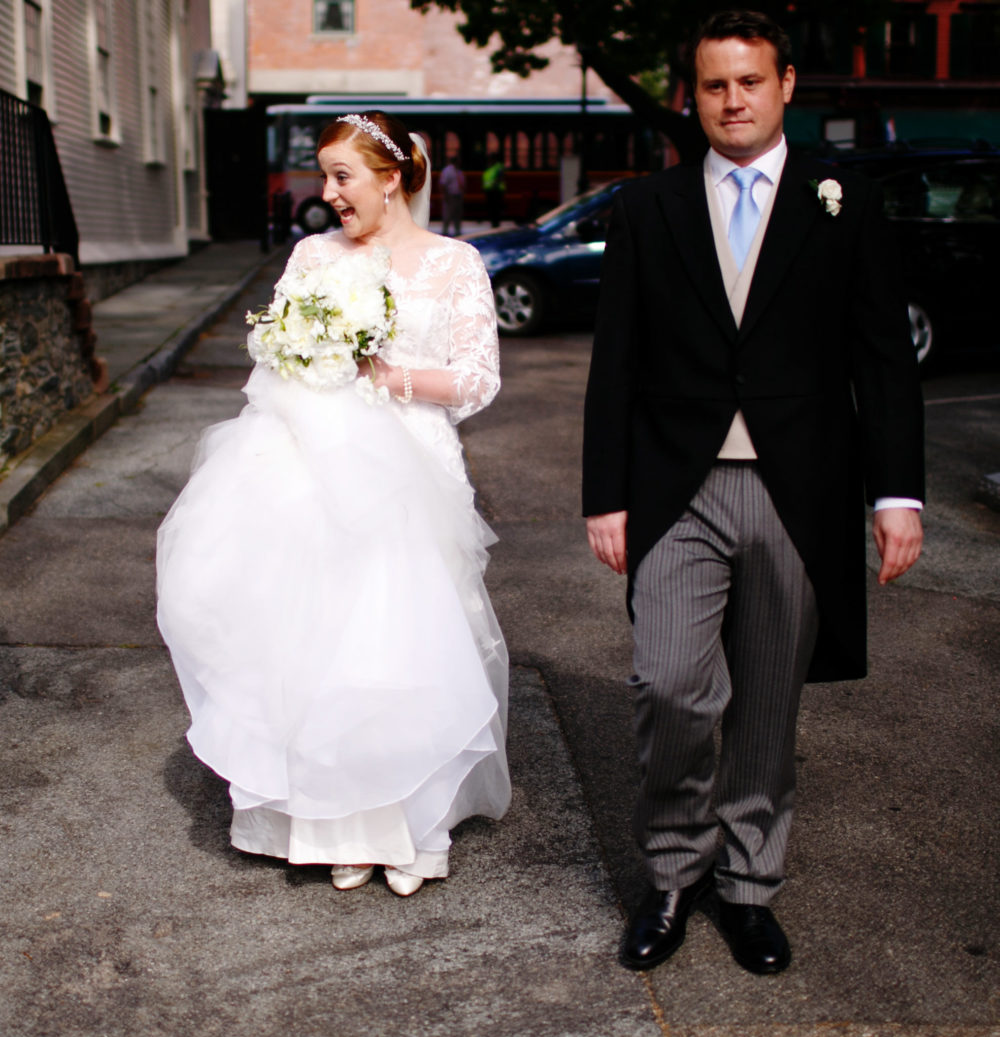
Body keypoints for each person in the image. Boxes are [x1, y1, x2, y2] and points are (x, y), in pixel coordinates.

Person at [582, 10, 924, 974]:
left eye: (748, 82)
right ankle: (673, 874)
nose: (731, 101)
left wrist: (898, 495)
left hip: (798, 486)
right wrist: (604, 494)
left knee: (769, 701)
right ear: (693, 96)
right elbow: (616, 364)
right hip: (674, 489)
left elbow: (882, 357)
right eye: (712, 86)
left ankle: (747, 889)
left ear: (784, 88)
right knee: (671, 685)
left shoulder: (842, 198)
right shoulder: (647, 209)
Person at [157, 110, 510, 898]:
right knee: (318, 645)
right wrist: (305, 349)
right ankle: (339, 826)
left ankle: (410, 827)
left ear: (390, 178)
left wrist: (390, 378)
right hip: (310, 466)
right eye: (325, 177)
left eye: (342, 177)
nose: (330, 194)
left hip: (412, 470)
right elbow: (268, 343)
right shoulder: (312, 253)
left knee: (405, 646)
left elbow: (479, 380)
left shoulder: (454, 262)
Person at [439, 152, 466, 236]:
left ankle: (457, 232)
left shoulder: (459, 171)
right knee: (447, 215)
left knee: (457, 215)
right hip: (450, 196)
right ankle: (445, 232)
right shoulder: (447, 171)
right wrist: (445, 195)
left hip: (458, 195)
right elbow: (442, 184)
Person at [482, 153, 506, 228]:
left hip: (496, 191)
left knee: (495, 209)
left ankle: (496, 224)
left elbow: (499, 178)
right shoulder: (491, 167)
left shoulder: (498, 167)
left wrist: (493, 186)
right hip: (490, 191)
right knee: (492, 209)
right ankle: (494, 223)